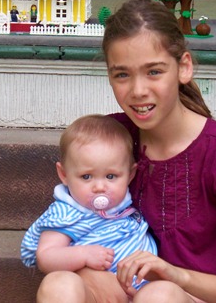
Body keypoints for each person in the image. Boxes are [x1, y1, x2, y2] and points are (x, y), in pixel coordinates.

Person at [38, 0, 216, 303]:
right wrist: (88, 273)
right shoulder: (112, 139)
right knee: (59, 285)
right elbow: (74, 228)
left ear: (183, 67)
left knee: (159, 297)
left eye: (154, 72)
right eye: (122, 74)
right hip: (121, 291)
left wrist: (175, 275)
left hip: (187, 297)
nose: (138, 90)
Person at [22, 114, 158, 299]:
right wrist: (83, 255)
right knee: (59, 285)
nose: (100, 187)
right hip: (98, 292)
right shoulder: (68, 213)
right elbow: (46, 257)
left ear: (130, 174)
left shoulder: (128, 205)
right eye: (86, 177)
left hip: (144, 292)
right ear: (64, 174)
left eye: (111, 176)